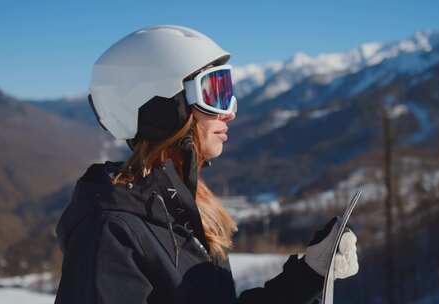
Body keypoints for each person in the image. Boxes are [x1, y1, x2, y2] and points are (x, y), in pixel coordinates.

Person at [54, 25, 359, 304]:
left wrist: (308, 276)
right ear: (161, 105)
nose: (230, 113)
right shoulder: (111, 230)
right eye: (215, 92)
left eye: (228, 91)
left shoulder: (181, 211)